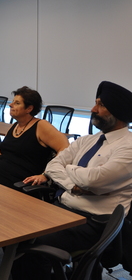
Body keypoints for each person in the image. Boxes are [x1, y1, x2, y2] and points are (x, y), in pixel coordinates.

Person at [11, 81, 132, 280]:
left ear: (117, 112)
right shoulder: (88, 140)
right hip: (61, 208)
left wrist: (68, 168)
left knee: (31, 244)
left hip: (92, 222)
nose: (93, 109)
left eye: (101, 105)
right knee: (14, 230)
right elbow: (51, 166)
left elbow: (94, 181)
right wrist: (74, 185)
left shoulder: (128, 147)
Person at [0, 86, 69, 188]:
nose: (10, 105)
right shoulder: (15, 126)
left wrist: (46, 175)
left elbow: (65, 149)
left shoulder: (41, 126)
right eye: (13, 102)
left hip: (17, 178)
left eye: (17, 103)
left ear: (29, 108)